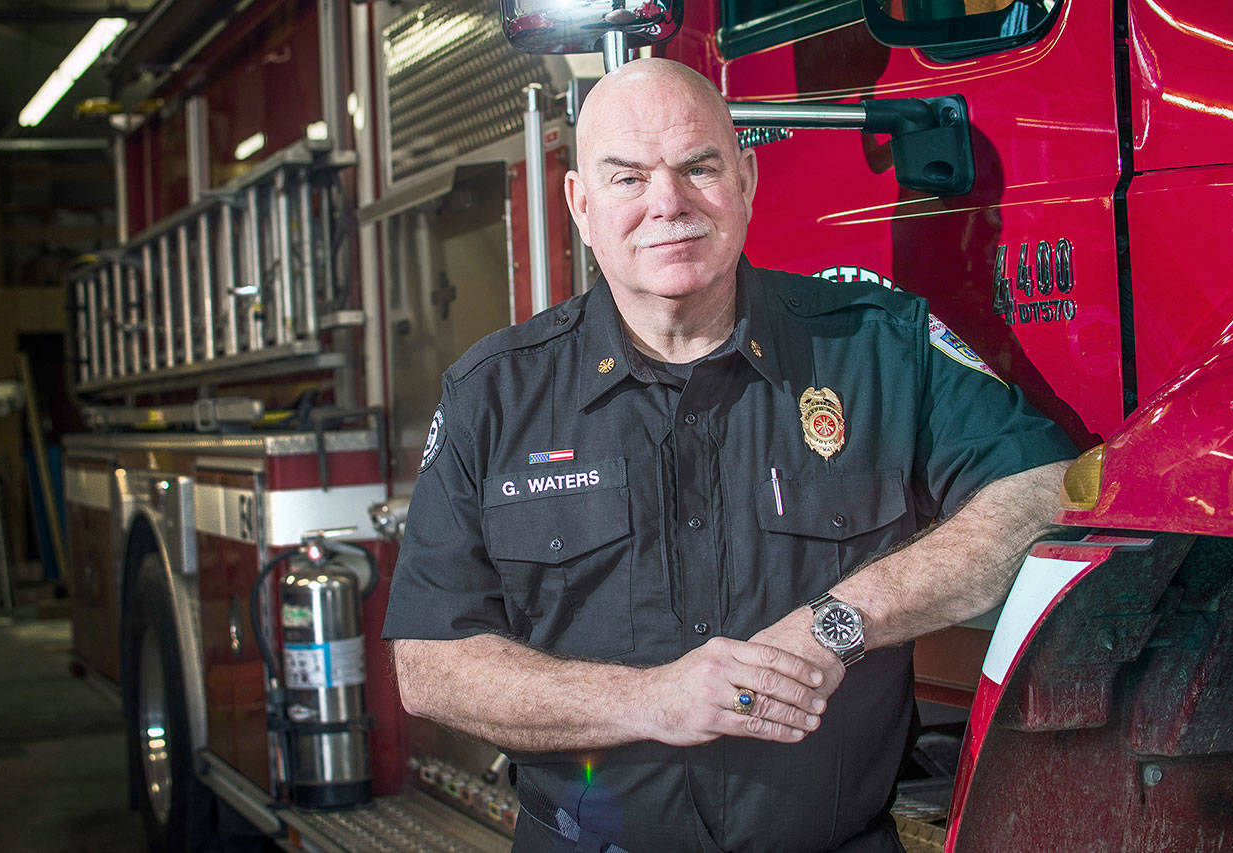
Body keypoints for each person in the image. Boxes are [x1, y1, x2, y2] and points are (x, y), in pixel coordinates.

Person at [384, 58, 1077, 852]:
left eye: (698, 166)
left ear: (744, 178)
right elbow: (431, 664)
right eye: (627, 178)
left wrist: (841, 622)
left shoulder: (874, 344)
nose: (667, 203)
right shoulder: (492, 395)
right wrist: (653, 699)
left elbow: (1044, 486)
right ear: (580, 204)